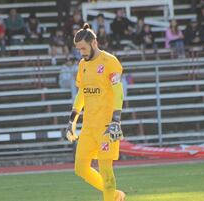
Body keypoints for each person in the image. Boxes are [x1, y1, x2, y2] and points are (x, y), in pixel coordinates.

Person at [65, 23, 126, 201]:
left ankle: (110, 195)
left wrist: (116, 120)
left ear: (94, 43)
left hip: (107, 127)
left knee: (106, 173)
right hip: (89, 127)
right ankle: (115, 195)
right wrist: (72, 121)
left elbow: (118, 91)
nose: (81, 52)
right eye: (78, 49)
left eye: (83, 48)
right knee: (80, 168)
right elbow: (82, 93)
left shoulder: (110, 62)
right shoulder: (83, 65)